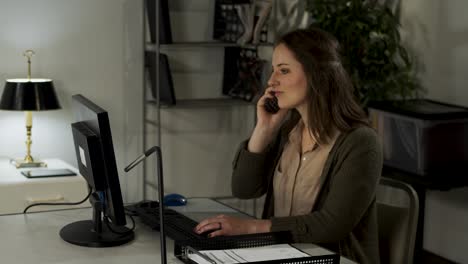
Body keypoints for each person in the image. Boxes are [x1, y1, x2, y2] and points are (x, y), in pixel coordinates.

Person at [194, 27, 383, 264]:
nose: (271, 82)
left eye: (283, 71)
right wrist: (264, 128)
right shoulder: (287, 132)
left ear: (317, 74)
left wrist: (250, 228)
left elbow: (332, 225)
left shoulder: (361, 143)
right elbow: (244, 189)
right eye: (273, 71)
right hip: (283, 255)